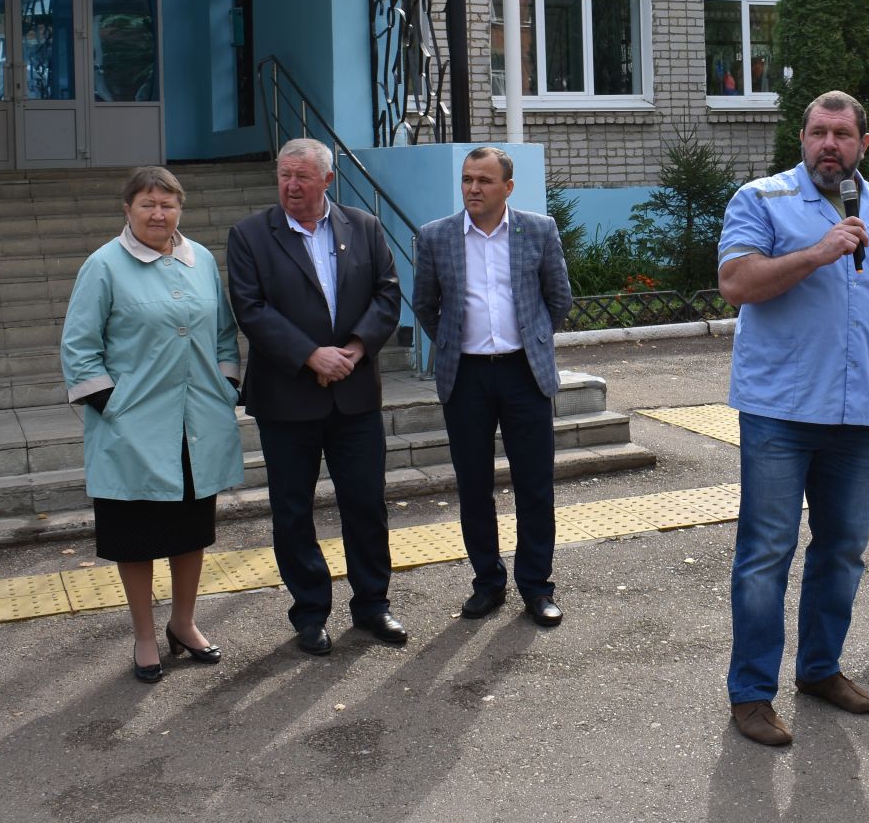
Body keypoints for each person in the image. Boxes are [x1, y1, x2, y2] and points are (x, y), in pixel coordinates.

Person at [717, 90, 869, 748]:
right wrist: (817, 252)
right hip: (780, 416)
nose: (829, 145)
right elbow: (736, 282)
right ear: (802, 137)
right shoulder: (762, 201)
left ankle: (818, 669)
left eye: (842, 134)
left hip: (861, 417)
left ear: (864, 144)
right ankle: (753, 693)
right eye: (818, 131)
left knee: (842, 552)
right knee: (765, 556)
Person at [61, 166, 245, 683]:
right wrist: (112, 410)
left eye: (168, 204)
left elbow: (225, 335)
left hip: (195, 426)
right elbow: (80, 349)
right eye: (147, 204)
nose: (158, 214)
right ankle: (144, 635)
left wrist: (227, 386)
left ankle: (183, 624)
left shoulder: (201, 259)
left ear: (180, 209)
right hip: (132, 431)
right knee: (135, 539)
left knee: (191, 533)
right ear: (128, 209)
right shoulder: (104, 265)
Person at [227, 139, 403, 656]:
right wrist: (310, 355)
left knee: (366, 505)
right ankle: (309, 613)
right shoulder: (251, 235)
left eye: (303, 176)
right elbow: (250, 308)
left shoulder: (363, 227)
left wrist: (351, 349)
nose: (291, 186)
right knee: (293, 510)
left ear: (328, 180)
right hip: (287, 399)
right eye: (284, 175)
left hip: (354, 394)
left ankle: (373, 605)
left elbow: (388, 294)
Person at [411, 147, 573, 626]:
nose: (474, 189)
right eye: (467, 180)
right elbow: (425, 304)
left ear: (508, 186)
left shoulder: (538, 230)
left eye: (484, 180)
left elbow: (558, 297)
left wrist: (536, 341)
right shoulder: (436, 236)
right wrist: (454, 342)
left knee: (535, 485)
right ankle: (487, 583)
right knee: (474, 486)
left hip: (525, 373)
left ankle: (537, 587)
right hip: (467, 376)